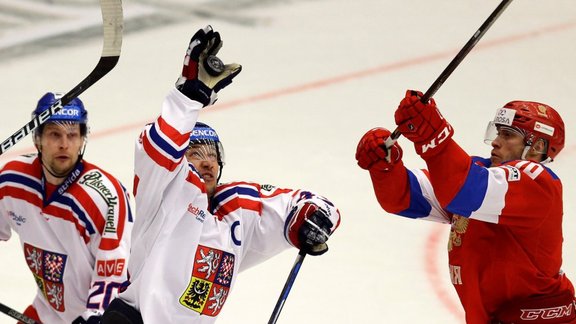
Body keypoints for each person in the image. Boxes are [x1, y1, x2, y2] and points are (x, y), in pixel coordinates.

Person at [100, 25, 341, 323]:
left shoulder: (237, 210)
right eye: (195, 154)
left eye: (213, 156)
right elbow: (156, 148)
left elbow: (309, 205)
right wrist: (187, 96)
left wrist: (312, 216)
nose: (207, 163)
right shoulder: (166, 192)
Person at [355, 90, 573, 324]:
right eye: (498, 132)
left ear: (538, 146)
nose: (497, 142)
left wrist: (434, 135)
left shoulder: (537, 182)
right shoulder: (482, 170)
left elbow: (463, 190)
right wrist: (386, 168)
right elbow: (404, 198)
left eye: (509, 135)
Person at [0, 93, 134, 323]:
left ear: (82, 139)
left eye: (72, 135)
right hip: (47, 311)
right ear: (38, 138)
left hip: (99, 316)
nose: (64, 144)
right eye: (54, 134)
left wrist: (95, 317)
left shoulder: (104, 197)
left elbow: (113, 275)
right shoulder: (12, 180)